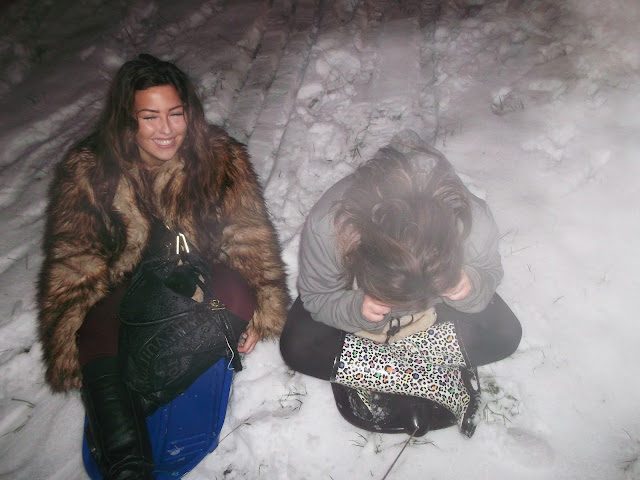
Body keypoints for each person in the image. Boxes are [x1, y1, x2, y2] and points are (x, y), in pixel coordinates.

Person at [37, 54, 289, 479]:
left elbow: (247, 236)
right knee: (93, 327)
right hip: (127, 286)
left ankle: (119, 400)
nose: (167, 129)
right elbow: (75, 260)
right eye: (150, 117)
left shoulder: (219, 159)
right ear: (127, 119)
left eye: (176, 113)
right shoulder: (91, 169)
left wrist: (263, 306)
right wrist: (69, 340)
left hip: (195, 277)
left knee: (238, 294)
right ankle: (128, 467)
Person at [280, 129, 521, 436]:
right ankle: (434, 380)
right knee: (296, 346)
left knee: (506, 334)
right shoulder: (327, 227)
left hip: (435, 317)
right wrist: (357, 307)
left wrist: (469, 285)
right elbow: (317, 297)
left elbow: (489, 271)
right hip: (369, 316)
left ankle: (373, 365)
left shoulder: (474, 222)